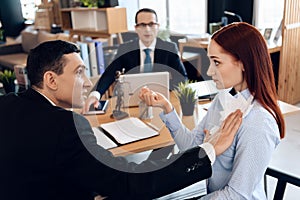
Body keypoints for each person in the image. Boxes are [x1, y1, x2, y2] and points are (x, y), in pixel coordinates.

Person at [0, 40, 243, 200]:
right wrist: (209, 149)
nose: (87, 82)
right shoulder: (66, 126)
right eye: (79, 73)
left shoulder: (6, 103)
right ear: (51, 80)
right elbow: (130, 182)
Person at [139, 22, 285, 199]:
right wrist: (167, 108)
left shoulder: (259, 123)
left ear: (244, 63)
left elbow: (237, 194)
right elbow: (193, 148)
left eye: (217, 62)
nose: (209, 71)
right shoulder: (223, 98)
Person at [83, 8, 187, 113]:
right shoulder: (126, 49)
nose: (147, 29)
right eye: (142, 25)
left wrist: (168, 93)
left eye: (151, 24)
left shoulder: (169, 48)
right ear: (136, 28)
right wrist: (95, 95)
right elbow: (109, 74)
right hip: (133, 104)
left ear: (157, 27)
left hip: (160, 104)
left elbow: (182, 79)